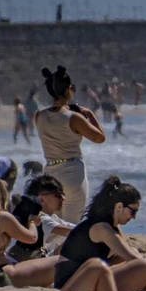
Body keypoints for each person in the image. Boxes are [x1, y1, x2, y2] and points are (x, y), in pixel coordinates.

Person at [34, 66, 105, 223]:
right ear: (69, 90)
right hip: (73, 173)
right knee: (73, 225)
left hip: (50, 172)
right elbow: (100, 138)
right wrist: (89, 114)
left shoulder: (39, 116)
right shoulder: (74, 118)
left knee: (53, 224)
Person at [0, 174, 75, 286]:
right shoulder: (41, 218)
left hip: (37, 259)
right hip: (25, 261)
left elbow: (75, 227)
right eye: (58, 195)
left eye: (63, 195)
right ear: (41, 198)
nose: (63, 199)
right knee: (73, 239)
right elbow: (69, 231)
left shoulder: (53, 217)